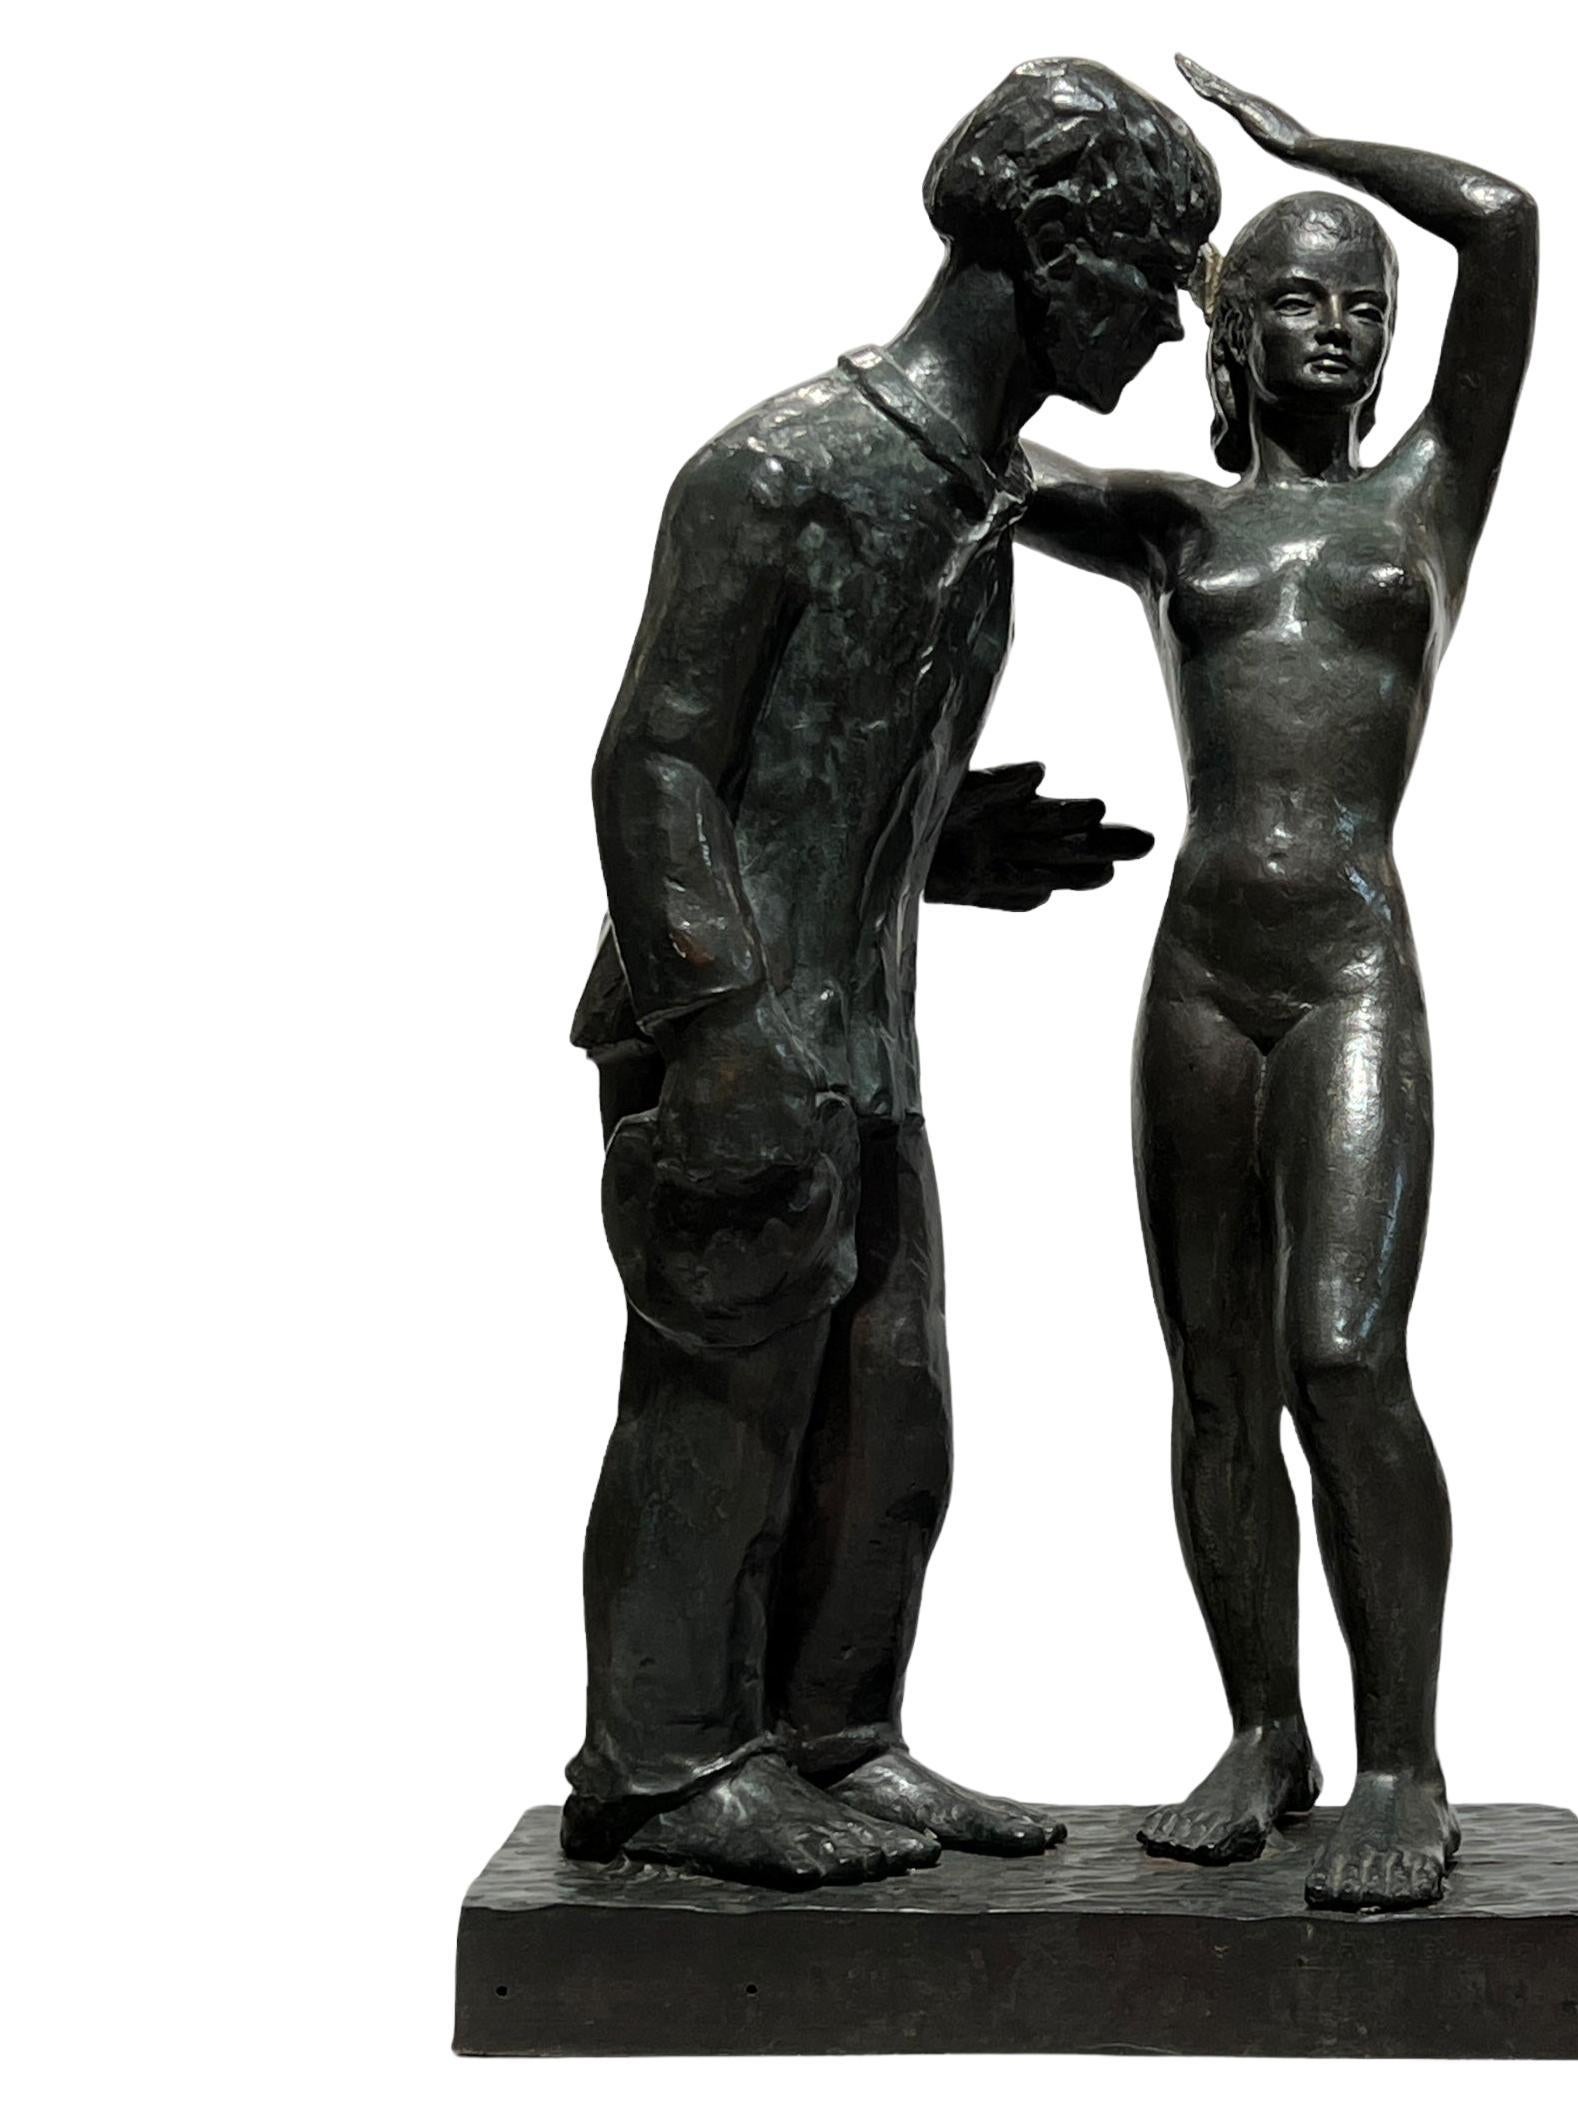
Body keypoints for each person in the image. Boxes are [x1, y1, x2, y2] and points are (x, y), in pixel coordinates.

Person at [564, 59, 1219, 1888]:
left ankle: (834, 1734)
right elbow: (653, 762)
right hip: (734, 1028)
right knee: (724, 1401)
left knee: (890, 1410)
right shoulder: (785, 471)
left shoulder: (977, 501)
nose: (1172, 324)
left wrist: (939, 838)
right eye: (1155, 272)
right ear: (1049, 243)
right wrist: (717, 1024)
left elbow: (810, 752)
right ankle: (668, 1766)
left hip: (861, 1029)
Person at [1020, 56, 1536, 1910]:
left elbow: (1506, 227)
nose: (1336, 325)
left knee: (1341, 1353)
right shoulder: (1173, 525)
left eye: (1360, 304)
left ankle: (1402, 1756)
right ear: (1230, 330)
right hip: (1199, 970)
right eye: (1295, 296)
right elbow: (975, 460)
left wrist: (1315, 156)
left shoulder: (1427, 498)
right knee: (1215, 1373)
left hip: (1346, 969)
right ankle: (1264, 1727)